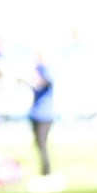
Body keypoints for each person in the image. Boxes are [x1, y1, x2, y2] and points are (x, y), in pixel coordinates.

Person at [25, 55, 58, 183]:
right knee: (38, 144)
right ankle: (43, 170)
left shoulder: (47, 70)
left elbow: (45, 82)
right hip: (35, 113)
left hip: (45, 114)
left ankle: (47, 171)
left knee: (42, 144)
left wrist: (37, 78)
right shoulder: (36, 69)